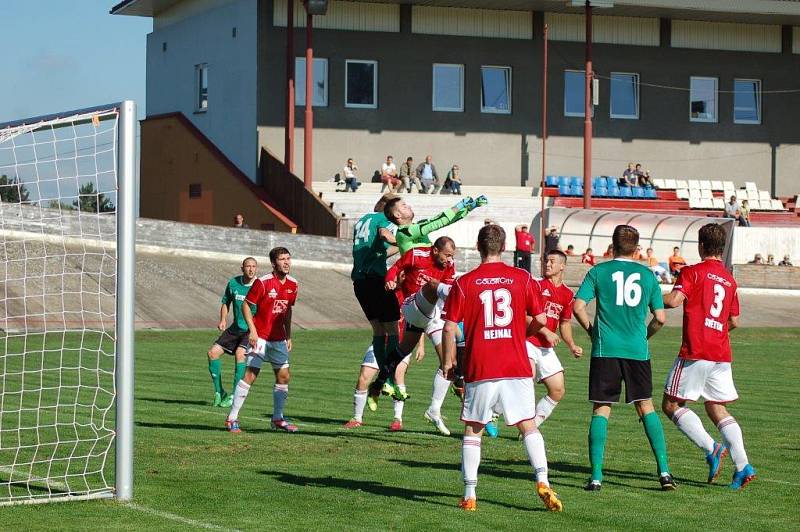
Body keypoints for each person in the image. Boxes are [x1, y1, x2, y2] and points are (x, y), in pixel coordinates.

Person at [441, 224, 563, 512]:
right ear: (505, 247)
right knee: (528, 425)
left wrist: (448, 361)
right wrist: (520, 333)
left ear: (479, 247)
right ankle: (543, 480)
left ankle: (470, 494)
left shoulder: (465, 282)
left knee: (474, 429)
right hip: (516, 364)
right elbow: (542, 319)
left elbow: (448, 327)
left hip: (481, 365)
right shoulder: (521, 277)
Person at [572, 224, 675, 492]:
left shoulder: (598, 271)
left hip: (606, 349)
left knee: (601, 408)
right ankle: (664, 473)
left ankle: (596, 477)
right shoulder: (648, 275)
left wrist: (592, 332)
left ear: (613, 245)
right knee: (646, 406)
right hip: (636, 350)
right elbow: (660, 318)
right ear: (637, 248)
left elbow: (578, 306)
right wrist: (645, 337)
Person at [661, 223, 756, 490]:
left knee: (670, 405)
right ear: (722, 248)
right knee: (716, 407)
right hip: (721, 353)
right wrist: (715, 328)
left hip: (696, 350)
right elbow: (734, 321)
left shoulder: (693, 272)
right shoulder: (729, 279)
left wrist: (647, 293)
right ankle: (742, 465)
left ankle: (711, 448)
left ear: (701, 245)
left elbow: (673, 301)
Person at [384, 237, 457, 433]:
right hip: (412, 307)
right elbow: (395, 267)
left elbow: (447, 296)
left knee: (449, 364)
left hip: (433, 315)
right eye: (447, 255)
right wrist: (390, 280)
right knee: (432, 286)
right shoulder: (416, 255)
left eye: (452, 256)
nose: (449, 260)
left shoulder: (449, 266)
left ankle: (434, 410)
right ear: (434, 250)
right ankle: (386, 376)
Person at [227, 247, 299, 433]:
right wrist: (252, 331)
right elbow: (246, 305)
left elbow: (288, 310)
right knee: (251, 375)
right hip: (261, 338)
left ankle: (277, 419)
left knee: (284, 376)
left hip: (279, 339)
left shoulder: (293, 284)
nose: (286, 262)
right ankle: (232, 418)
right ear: (274, 263)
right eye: (282, 259)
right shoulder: (263, 282)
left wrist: (288, 334)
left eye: (288, 258)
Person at [346, 194, 401, 427]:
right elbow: (384, 235)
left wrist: (392, 251)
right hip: (376, 280)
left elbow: (374, 250)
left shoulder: (362, 220)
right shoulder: (383, 219)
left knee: (378, 331)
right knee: (393, 329)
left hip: (360, 281)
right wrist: (405, 244)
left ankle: (385, 379)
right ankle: (387, 378)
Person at [527, 250, 583, 427]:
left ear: (562, 266)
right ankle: (494, 413)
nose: (547, 264)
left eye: (551, 261)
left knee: (558, 390)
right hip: (527, 341)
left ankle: (533, 425)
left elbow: (565, 323)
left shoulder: (567, 294)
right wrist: (546, 331)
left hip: (545, 348)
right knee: (525, 382)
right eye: (546, 261)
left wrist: (572, 345)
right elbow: (524, 316)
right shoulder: (536, 286)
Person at [206, 257, 257, 408]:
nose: (251, 269)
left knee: (240, 355)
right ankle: (219, 392)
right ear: (242, 268)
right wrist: (223, 319)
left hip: (250, 330)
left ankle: (235, 395)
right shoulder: (233, 283)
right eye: (248, 266)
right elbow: (225, 302)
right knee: (212, 353)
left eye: (254, 266)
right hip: (235, 329)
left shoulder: (260, 286)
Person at [385, 195, 487, 255]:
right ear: (397, 215)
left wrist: (471, 207)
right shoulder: (404, 233)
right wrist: (459, 205)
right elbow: (436, 223)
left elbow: (446, 221)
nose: (409, 206)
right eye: (404, 206)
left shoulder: (418, 225)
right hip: (416, 284)